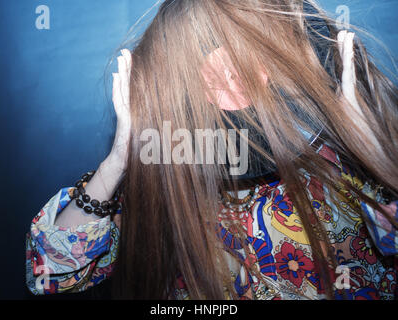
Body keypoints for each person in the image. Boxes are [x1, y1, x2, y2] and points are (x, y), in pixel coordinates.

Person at [26, 0, 398, 300]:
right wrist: (119, 160)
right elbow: (49, 274)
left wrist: (370, 151)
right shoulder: (170, 171)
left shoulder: (345, 158)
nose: (234, 80)